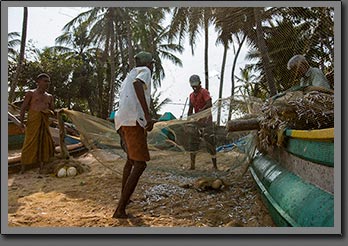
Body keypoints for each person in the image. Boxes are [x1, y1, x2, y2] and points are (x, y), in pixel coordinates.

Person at [113, 51, 156, 219]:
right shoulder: (144, 71)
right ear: (148, 63)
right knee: (140, 164)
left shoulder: (129, 75)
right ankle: (120, 209)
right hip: (133, 121)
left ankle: (125, 199)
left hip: (122, 121)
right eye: (152, 64)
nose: (152, 67)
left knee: (130, 161)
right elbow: (139, 85)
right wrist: (147, 116)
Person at [19, 73, 55, 173]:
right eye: (45, 81)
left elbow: (53, 111)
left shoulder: (49, 96)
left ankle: (42, 165)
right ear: (38, 82)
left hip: (44, 122)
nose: (47, 83)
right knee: (29, 142)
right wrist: (21, 123)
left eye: (48, 82)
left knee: (44, 142)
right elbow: (23, 108)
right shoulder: (31, 93)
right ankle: (24, 165)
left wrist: (50, 113)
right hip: (33, 121)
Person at [187, 74, 217, 170]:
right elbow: (190, 109)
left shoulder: (204, 92)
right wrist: (189, 120)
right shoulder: (191, 96)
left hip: (207, 122)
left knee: (210, 143)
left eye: (196, 85)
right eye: (193, 86)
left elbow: (209, 104)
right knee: (193, 143)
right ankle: (192, 166)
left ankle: (215, 166)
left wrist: (201, 112)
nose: (195, 87)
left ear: (200, 83)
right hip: (197, 123)